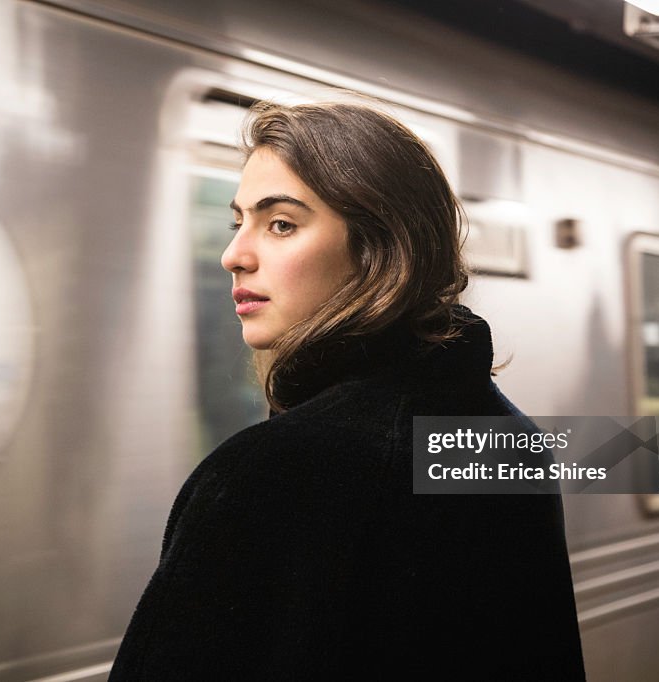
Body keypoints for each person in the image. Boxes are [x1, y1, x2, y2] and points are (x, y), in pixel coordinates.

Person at [110, 101, 586, 680]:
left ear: (379, 251)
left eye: (280, 223)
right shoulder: (506, 440)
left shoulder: (271, 475)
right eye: (240, 221)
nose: (233, 255)